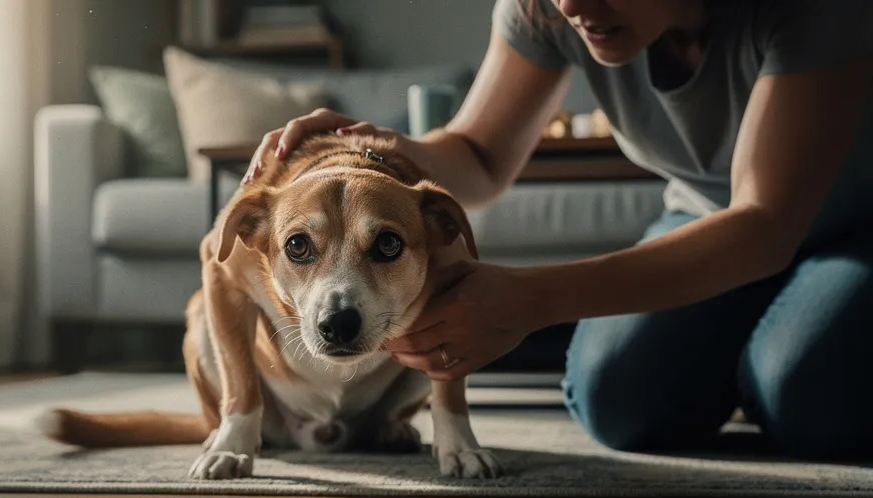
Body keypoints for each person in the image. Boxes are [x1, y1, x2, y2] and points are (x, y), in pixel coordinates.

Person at [243, 0, 873, 462]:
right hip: (704, 220)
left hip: (848, 229)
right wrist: (376, 146)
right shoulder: (553, 10)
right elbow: (479, 157)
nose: (571, 5)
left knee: (809, 398)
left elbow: (765, 225)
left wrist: (531, 298)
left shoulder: (813, 12)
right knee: (615, 399)